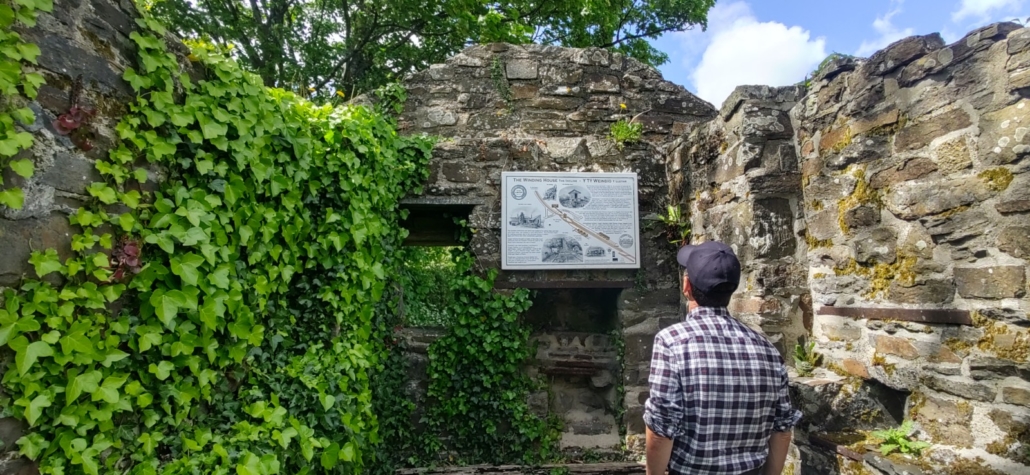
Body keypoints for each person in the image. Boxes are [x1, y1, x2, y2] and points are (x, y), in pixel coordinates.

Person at [643, 241, 802, 475]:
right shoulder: (766, 348)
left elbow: (661, 428)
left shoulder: (672, 341)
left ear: (686, 285)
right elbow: (782, 430)